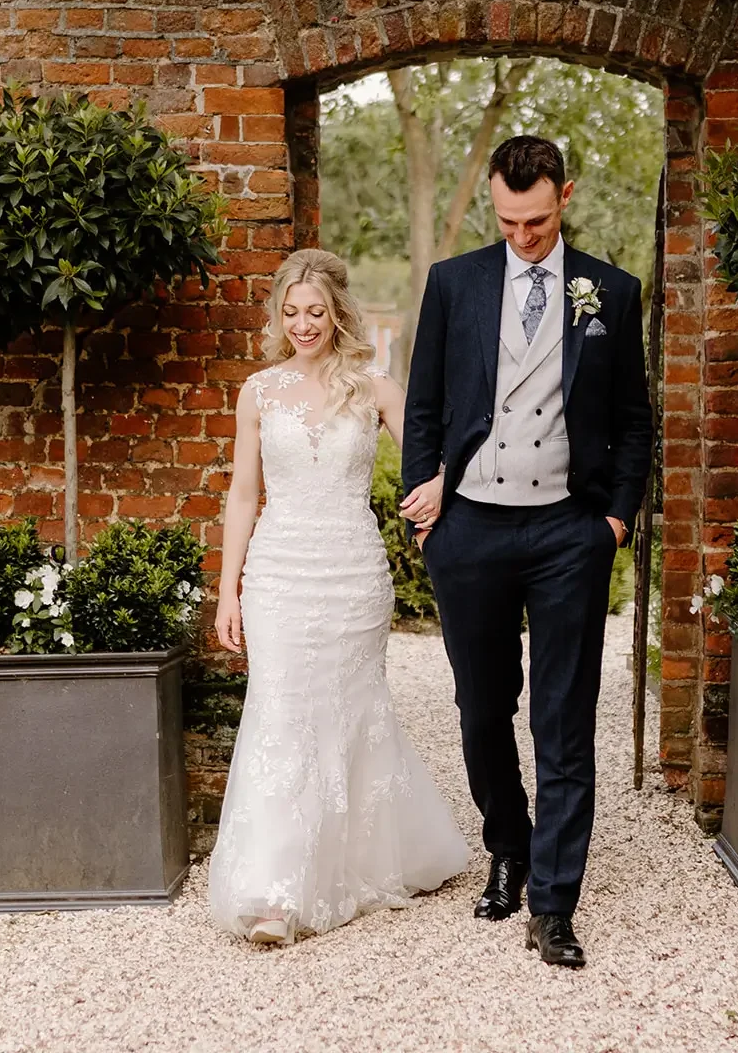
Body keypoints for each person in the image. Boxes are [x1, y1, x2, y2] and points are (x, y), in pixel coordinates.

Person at [400, 135, 653, 969]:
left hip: (565, 533)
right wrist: (424, 511)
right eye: (508, 222)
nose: (522, 236)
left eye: (537, 221)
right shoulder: (454, 283)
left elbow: (631, 420)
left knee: (564, 722)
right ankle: (507, 844)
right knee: (481, 710)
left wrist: (612, 522)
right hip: (470, 527)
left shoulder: (610, 291)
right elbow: (426, 404)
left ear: (565, 196)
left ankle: (554, 903)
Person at [209, 248, 468, 945]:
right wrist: (227, 592)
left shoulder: (374, 387)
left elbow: (433, 455)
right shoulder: (257, 393)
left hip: (353, 571)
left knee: (354, 710)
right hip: (278, 571)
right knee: (282, 710)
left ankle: (364, 861)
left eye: (315, 311)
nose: (303, 323)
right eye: (291, 312)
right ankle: (274, 891)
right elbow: (241, 494)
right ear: (277, 315)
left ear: (337, 313)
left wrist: (439, 486)